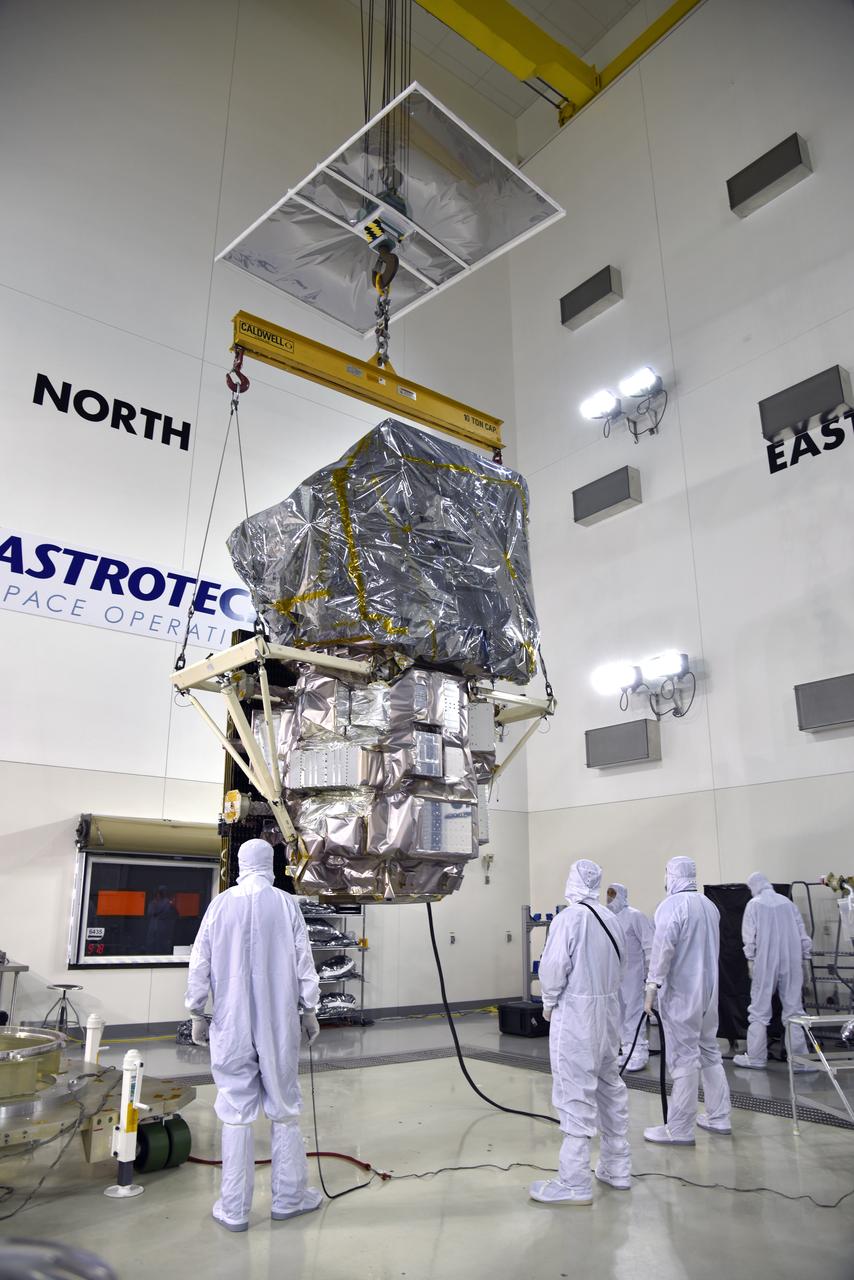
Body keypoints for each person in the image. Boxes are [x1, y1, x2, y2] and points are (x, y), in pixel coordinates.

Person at [185, 838, 322, 1231]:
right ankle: (289, 1199)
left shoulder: (220, 904)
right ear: (272, 864)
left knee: (235, 1111)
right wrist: (309, 1008)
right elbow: (303, 958)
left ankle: (234, 1209)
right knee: (284, 1107)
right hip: (278, 1021)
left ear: (240, 864)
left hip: (230, 1021)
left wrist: (197, 1011)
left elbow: (200, 960)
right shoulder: (285, 903)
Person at [529, 859, 631, 1206]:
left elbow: (554, 967)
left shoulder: (569, 918)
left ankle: (574, 1182)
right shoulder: (611, 918)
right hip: (608, 1014)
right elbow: (623, 966)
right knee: (609, 1086)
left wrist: (548, 1000)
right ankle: (617, 1166)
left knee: (575, 1093)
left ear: (572, 881)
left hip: (577, 1015)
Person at [643, 856, 731, 1144]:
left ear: (672, 875)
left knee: (683, 1057)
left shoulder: (671, 906)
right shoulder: (709, 906)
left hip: (682, 993)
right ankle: (719, 1117)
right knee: (709, 1051)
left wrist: (651, 985)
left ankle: (679, 1128)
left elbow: (663, 949)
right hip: (709, 993)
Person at [734, 872, 814, 1071]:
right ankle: (799, 1060)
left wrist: (750, 960)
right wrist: (805, 960)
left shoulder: (754, 904)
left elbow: (749, 936)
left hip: (765, 961)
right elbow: (802, 933)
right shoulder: (787, 903)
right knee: (794, 1010)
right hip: (792, 959)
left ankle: (756, 1057)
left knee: (759, 1010)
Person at [607, 883, 654, 1071]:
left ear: (621, 895)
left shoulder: (635, 916)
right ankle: (627, 1051)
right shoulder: (609, 918)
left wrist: (651, 973)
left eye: (612, 894)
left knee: (634, 1013)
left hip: (634, 975)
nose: (609, 898)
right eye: (608, 894)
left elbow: (649, 945)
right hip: (615, 975)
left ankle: (639, 1053)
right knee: (619, 1014)